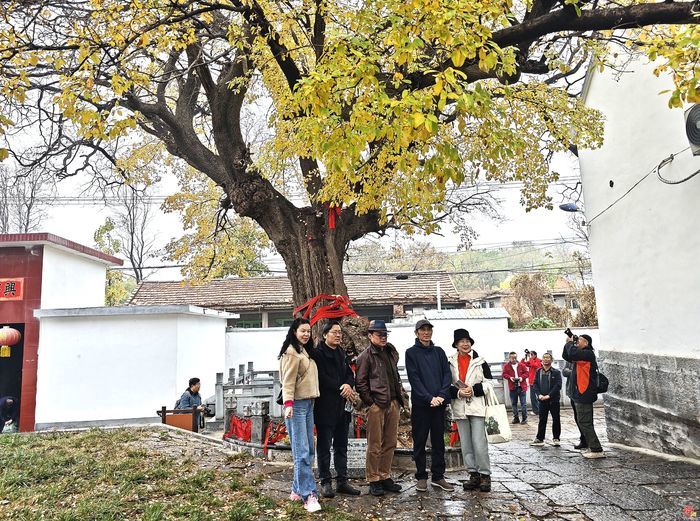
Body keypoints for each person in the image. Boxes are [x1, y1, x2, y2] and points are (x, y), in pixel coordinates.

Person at [311, 321, 361, 498]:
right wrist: (342, 387)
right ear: (325, 335)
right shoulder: (318, 354)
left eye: (340, 332)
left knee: (341, 446)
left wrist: (348, 383)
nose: (338, 335)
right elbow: (321, 378)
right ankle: (325, 481)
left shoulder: (341, 352)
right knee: (324, 447)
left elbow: (349, 373)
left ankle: (342, 481)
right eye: (334, 332)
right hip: (325, 407)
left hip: (343, 407)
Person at [355, 319, 404, 497]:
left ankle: (385, 475)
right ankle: (373, 478)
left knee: (390, 442)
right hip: (376, 405)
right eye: (379, 334)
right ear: (370, 336)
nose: (383, 337)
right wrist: (371, 402)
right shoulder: (365, 356)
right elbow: (360, 383)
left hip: (393, 402)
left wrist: (397, 401)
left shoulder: (390, 352)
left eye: (385, 334)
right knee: (374, 444)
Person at [405, 319, 455, 493]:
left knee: (438, 441)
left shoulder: (439, 352)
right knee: (419, 440)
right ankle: (420, 476)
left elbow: (446, 375)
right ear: (417, 333)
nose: (426, 333)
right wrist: (428, 398)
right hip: (421, 404)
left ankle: (438, 476)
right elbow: (414, 378)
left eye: (428, 330)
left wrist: (441, 395)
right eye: (422, 330)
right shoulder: (411, 353)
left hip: (439, 404)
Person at [279, 318, 322, 512]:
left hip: (308, 403)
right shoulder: (291, 352)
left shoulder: (303, 351)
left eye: (308, 331)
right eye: (302, 331)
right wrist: (288, 404)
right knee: (302, 451)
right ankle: (308, 494)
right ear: (294, 331)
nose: (306, 334)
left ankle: (297, 489)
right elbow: (287, 382)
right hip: (296, 405)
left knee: (308, 449)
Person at [448, 329, 493, 492]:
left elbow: (490, 383)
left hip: (477, 407)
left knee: (479, 443)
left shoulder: (481, 361)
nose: (465, 344)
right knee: (466, 444)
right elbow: (447, 385)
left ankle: (485, 475)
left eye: (467, 341)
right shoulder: (450, 362)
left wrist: (474, 390)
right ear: (456, 345)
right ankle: (473, 474)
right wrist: (458, 392)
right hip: (460, 407)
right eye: (461, 341)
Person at [562, 332, 605, 458]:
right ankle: (592, 446)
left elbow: (572, 353)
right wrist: (569, 343)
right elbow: (566, 355)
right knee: (583, 421)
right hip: (580, 393)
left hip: (584, 393)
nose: (577, 342)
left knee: (585, 422)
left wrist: (570, 343)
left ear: (586, 343)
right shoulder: (581, 355)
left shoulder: (588, 354)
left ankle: (596, 449)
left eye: (580, 340)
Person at [530, 353, 562, 447]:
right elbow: (535, 384)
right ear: (541, 360)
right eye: (544, 358)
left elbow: (558, 385)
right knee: (542, 419)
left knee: (556, 418)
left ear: (551, 360)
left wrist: (549, 395)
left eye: (548, 358)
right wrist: (539, 395)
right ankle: (540, 438)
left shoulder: (556, 372)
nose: (546, 359)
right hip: (542, 400)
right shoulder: (538, 371)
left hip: (553, 400)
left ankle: (556, 438)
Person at [563, 360, 587, 450]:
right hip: (572, 391)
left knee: (583, 417)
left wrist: (572, 372)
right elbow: (564, 371)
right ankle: (583, 438)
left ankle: (586, 439)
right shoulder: (570, 359)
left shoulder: (584, 358)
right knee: (577, 416)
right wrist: (574, 372)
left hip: (582, 391)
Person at [502, 352, 528, 424]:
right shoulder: (506, 366)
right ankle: (516, 418)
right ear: (509, 358)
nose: (514, 359)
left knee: (523, 403)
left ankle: (524, 418)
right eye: (512, 357)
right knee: (514, 403)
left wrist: (521, 378)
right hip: (512, 387)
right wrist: (510, 378)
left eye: (515, 357)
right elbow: (504, 374)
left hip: (522, 386)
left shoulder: (522, 365)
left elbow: (527, 373)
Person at [524, 350, 542, 416]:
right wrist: (525, 357)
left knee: (540, 396)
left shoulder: (539, 360)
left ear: (535, 355)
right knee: (533, 397)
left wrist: (530, 358)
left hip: (538, 381)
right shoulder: (531, 360)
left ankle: (541, 410)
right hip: (531, 381)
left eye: (531, 355)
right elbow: (525, 364)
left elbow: (534, 365)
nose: (531, 356)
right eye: (530, 355)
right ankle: (536, 411)